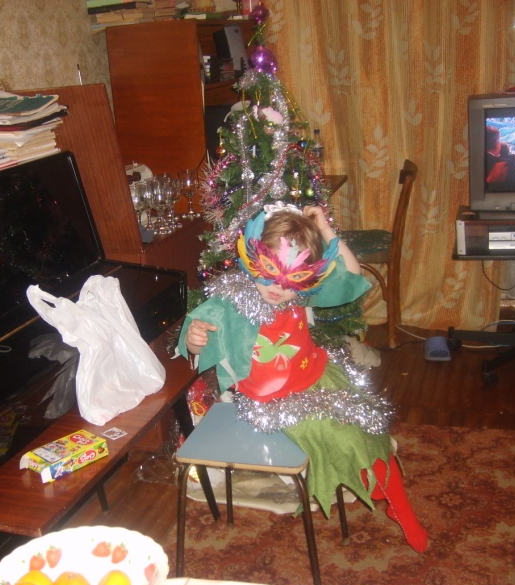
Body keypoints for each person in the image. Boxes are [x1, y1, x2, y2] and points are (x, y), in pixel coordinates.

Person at [179, 202, 428, 553]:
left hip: (319, 375)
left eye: (292, 278)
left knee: (370, 426)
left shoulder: (301, 293)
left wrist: (325, 230)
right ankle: (382, 490)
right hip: (276, 402)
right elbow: (195, 338)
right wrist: (195, 337)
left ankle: (394, 498)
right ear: (252, 257)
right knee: (344, 438)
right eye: (269, 271)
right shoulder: (230, 302)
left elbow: (351, 274)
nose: (277, 287)